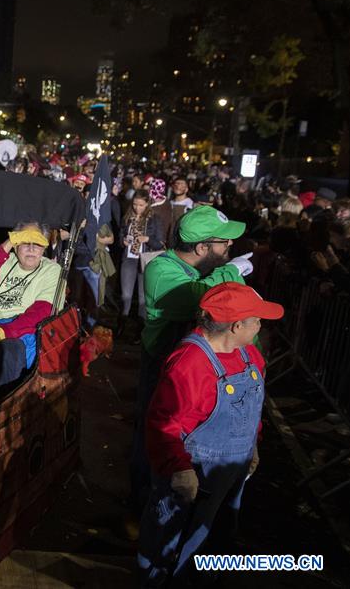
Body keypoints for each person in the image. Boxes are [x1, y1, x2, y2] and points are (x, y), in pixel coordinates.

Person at [138, 282, 284, 586]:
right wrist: (178, 468)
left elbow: (252, 409)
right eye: (257, 319)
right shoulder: (190, 363)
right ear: (236, 326)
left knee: (210, 536)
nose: (261, 325)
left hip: (230, 473)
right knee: (168, 538)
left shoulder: (250, 356)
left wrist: (253, 445)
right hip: (193, 471)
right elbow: (163, 422)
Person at [129, 205, 253, 513]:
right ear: (202, 247)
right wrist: (231, 272)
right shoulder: (161, 269)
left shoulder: (200, 268)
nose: (229, 246)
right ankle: (143, 506)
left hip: (192, 365)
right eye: (223, 242)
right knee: (156, 434)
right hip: (162, 365)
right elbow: (202, 297)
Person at [0, 223, 65, 387]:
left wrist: (1, 333)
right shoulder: (5, 261)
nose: (31, 248)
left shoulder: (52, 270)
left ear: (44, 247)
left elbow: (42, 313)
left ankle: (1, 407)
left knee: (9, 351)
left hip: (21, 330)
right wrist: (7, 244)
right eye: (24, 241)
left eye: (37, 243)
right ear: (16, 246)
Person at [120, 190, 165, 322]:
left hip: (146, 261)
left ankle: (140, 328)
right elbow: (120, 235)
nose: (137, 208)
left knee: (142, 298)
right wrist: (123, 241)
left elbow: (160, 244)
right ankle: (122, 321)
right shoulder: (127, 217)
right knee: (126, 295)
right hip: (129, 259)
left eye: (141, 205)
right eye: (135, 204)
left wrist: (148, 239)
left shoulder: (154, 219)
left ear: (147, 204)